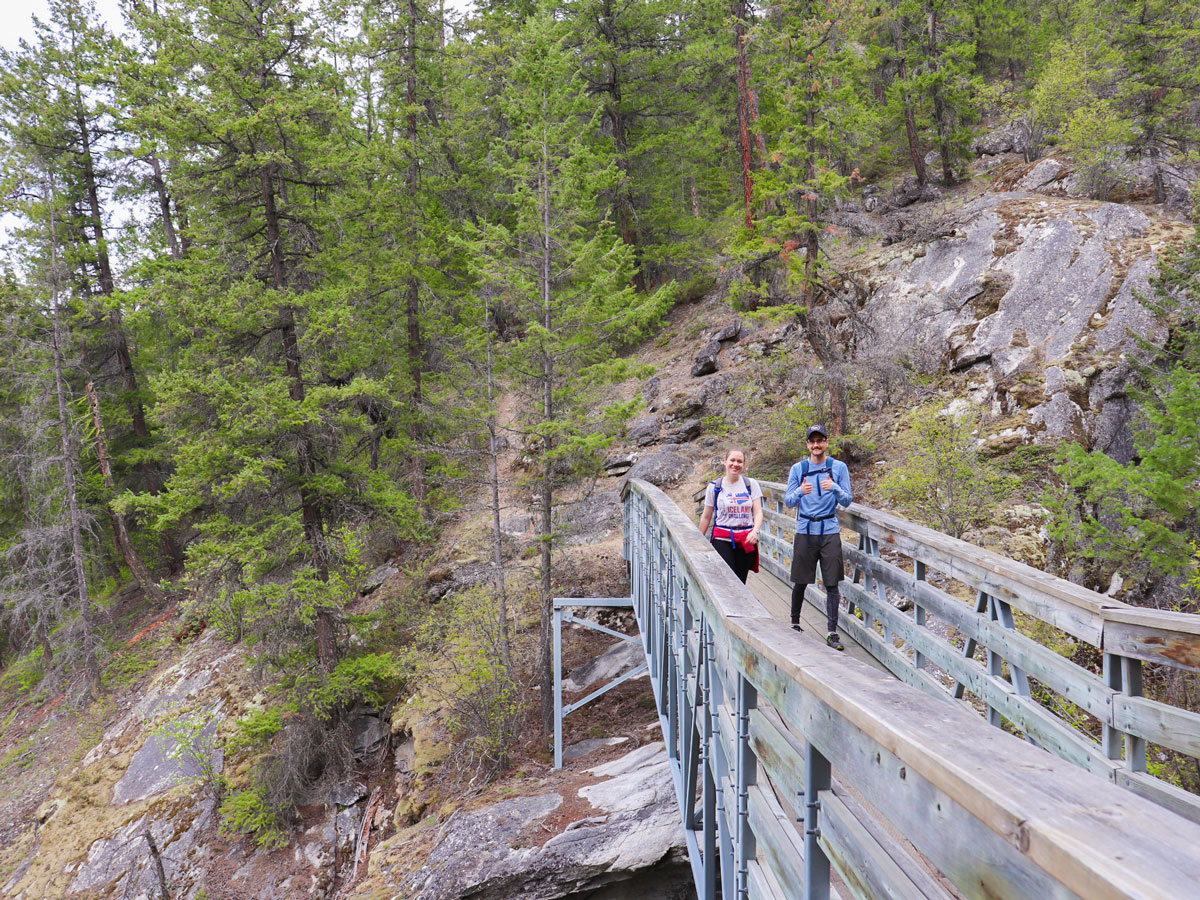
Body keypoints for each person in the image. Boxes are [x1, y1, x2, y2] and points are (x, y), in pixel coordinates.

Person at [784, 425, 852, 650]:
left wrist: (834, 488)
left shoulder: (839, 467)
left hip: (829, 529)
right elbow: (789, 501)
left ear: (826, 443)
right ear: (807, 445)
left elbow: (847, 500)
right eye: (812, 441)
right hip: (805, 528)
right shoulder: (798, 469)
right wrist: (800, 492)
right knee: (800, 580)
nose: (816, 445)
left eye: (820, 441)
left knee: (832, 582)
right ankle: (794, 624)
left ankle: (832, 632)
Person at [697, 448, 763, 584]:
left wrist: (755, 531)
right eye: (732, 460)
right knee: (727, 579)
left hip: (746, 538)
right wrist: (698, 540)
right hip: (722, 537)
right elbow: (706, 516)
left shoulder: (751, 484)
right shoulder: (715, 487)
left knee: (740, 581)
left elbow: (758, 513)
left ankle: (740, 606)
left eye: (740, 461)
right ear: (725, 461)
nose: (735, 464)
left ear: (743, 464)